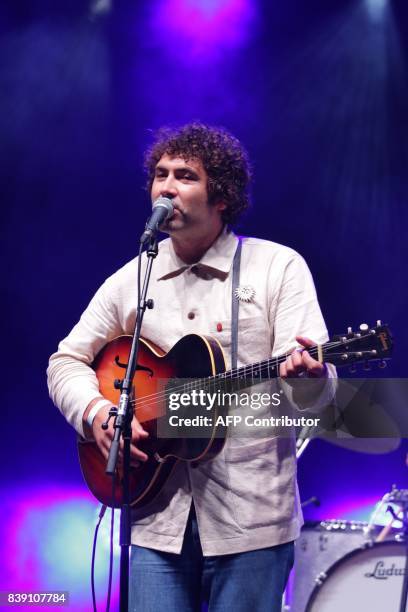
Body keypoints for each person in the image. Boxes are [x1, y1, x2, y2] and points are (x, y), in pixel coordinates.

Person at [47, 122, 336, 611]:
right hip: (154, 515)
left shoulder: (276, 268)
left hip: (252, 523)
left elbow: (319, 397)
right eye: (160, 174)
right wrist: (96, 413)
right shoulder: (135, 277)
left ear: (220, 195)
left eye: (185, 175)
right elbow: (66, 360)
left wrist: (311, 378)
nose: (166, 186)